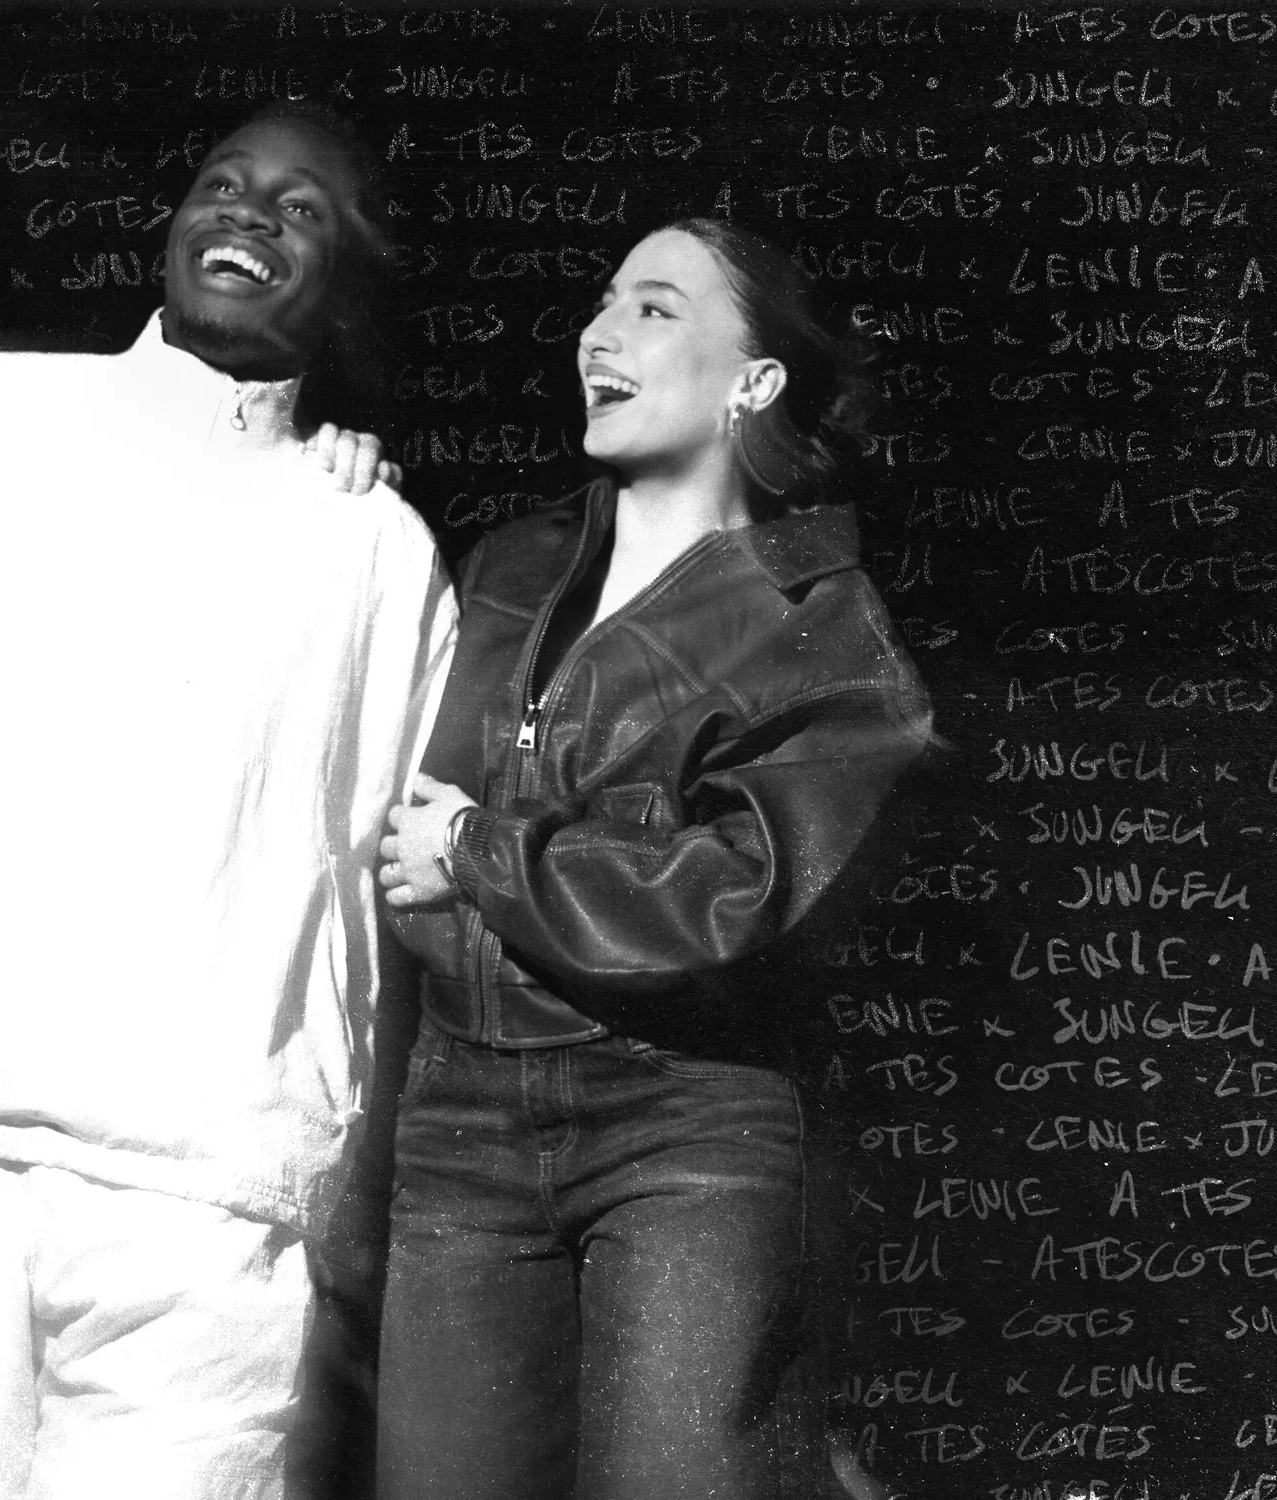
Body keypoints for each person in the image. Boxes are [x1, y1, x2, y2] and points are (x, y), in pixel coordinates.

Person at [0, 101, 455, 1500]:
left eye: (302, 209)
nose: (247, 213)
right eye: (223, 183)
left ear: (348, 280)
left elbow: (383, 891)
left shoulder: (378, 544)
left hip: (211, 1208)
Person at [375, 218, 937, 1500]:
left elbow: (735, 894)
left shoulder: (826, 628)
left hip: (685, 1123)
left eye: (656, 308)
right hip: (459, 1118)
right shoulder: (510, 563)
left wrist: (476, 851)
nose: (600, 333)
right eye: (603, 302)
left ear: (756, 380)